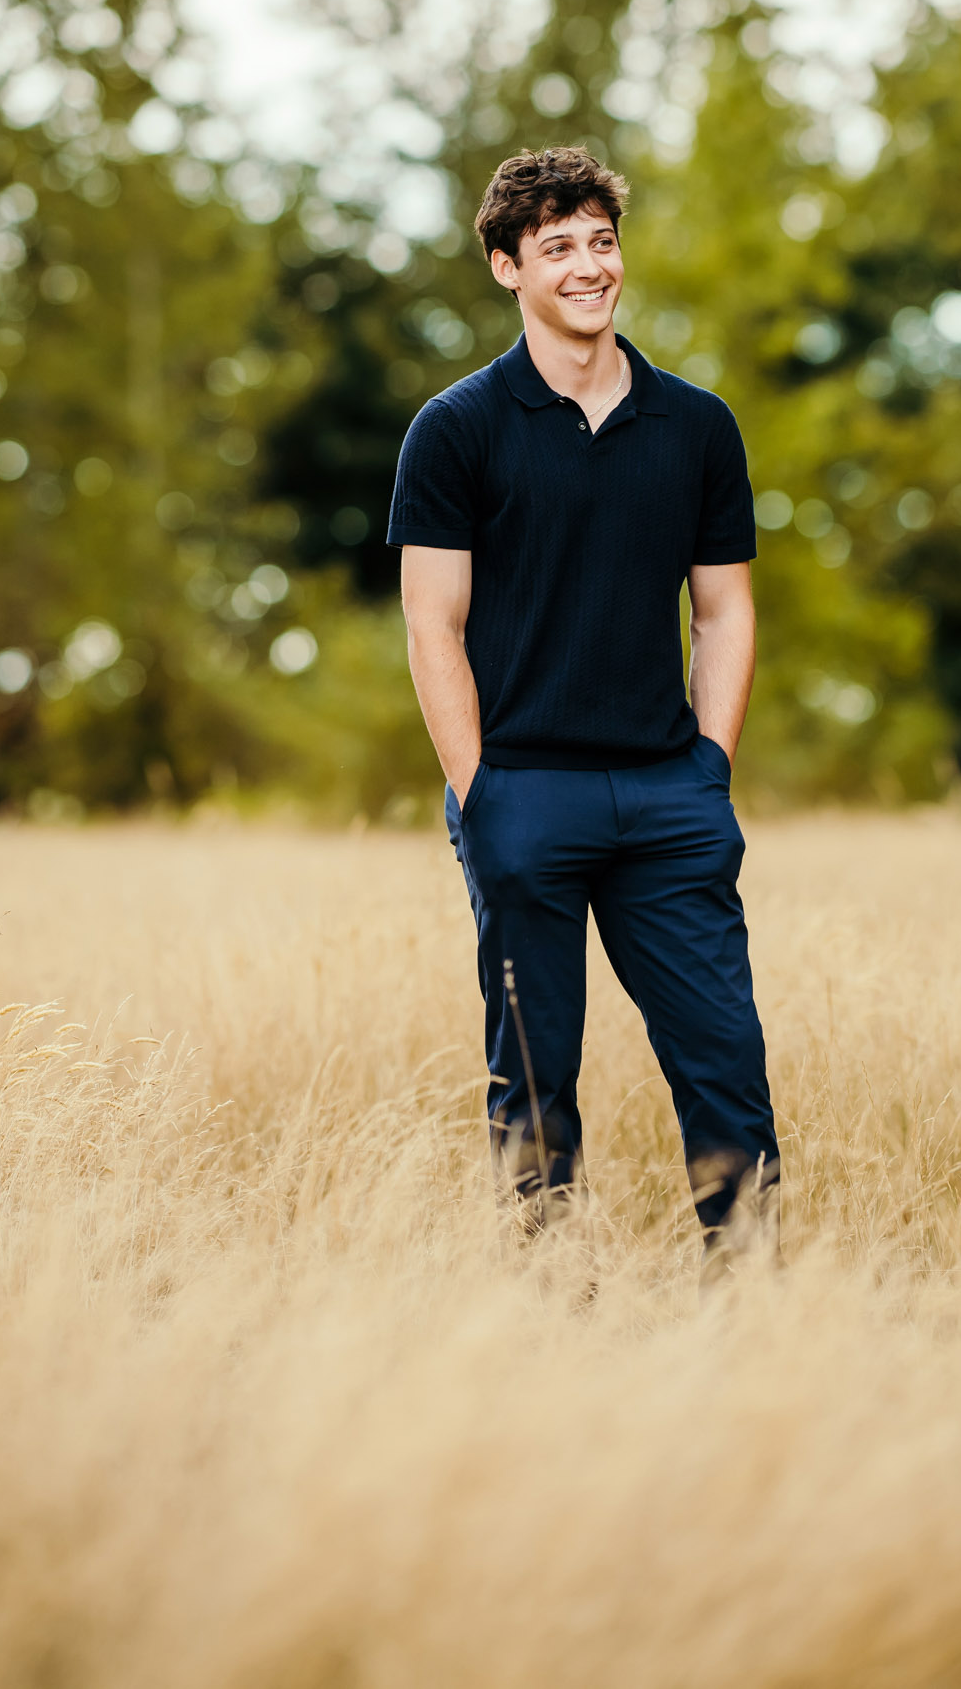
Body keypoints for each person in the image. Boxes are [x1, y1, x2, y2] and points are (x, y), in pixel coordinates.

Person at [388, 145, 779, 1273]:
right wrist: (482, 794)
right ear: (507, 267)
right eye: (555, 246)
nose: (587, 265)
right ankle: (551, 1305)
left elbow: (723, 612)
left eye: (600, 241)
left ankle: (753, 1310)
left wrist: (707, 769)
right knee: (533, 1085)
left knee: (725, 1069)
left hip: (668, 798)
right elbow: (431, 627)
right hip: (522, 794)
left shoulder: (695, 425)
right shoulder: (455, 429)